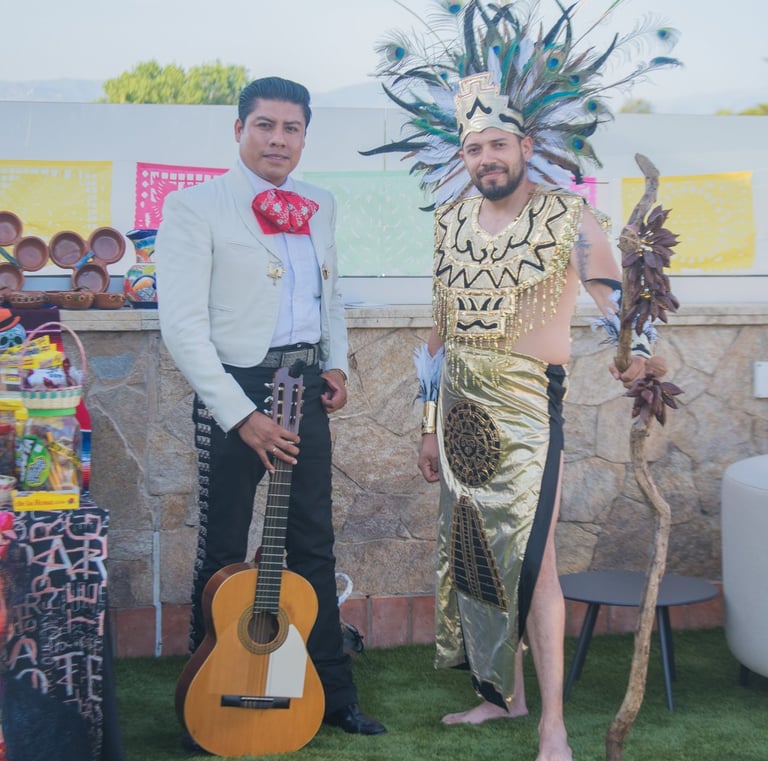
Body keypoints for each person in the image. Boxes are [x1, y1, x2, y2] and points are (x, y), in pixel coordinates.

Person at [363, 4, 677, 760]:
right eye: (473, 147)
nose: (485, 158)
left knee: (533, 565)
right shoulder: (448, 222)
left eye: (497, 143)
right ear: (463, 155)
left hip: (531, 405)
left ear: (527, 146)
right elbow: (439, 328)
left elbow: (622, 315)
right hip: (460, 407)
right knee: (473, 552)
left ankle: (553, 728)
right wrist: (425, 422)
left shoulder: (573, 217)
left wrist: (644, 356)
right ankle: (503, 696)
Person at [155, 76, 386, 741]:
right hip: (236, 388)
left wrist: (334, 361)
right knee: (223, 547)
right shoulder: (195, 207)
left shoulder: (321, 202)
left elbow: (329, 294)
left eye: (292, 127)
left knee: (313, 541)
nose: (278, 138)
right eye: (265, 125)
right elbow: (183, 326)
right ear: (239, 130)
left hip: (305, 385)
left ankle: (332, 692)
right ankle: (208, 692)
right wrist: (239, 412)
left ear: (305, 135)